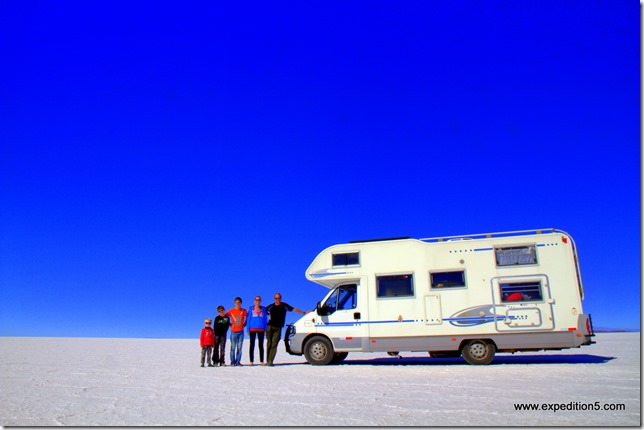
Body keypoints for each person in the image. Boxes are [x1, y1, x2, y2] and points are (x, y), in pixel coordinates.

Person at [265, 293, 309, 366]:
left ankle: (270, 361)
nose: (277, 300)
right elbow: (263, 311)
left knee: (274, 343)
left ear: (281, 298)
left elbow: (294, 309)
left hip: (278, 327)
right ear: (274, 299)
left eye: (279, 298)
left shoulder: (284, 306)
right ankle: (267, 360)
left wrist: (304, 312)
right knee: (269, 343)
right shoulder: (271, 306)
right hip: (270, 326)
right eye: (276, 298)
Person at [226, 297, 248, 366]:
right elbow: (225, 316)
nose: (237, 303)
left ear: (241, 303)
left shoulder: (243, 311)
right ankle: (232, 362)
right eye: (236, 302)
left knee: (239, 347)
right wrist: (229, 324)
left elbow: (248, 317)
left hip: (241, 332)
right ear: (234, 303)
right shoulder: (231, 311)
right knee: (233, 347)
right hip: (233, 332)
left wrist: (245, 323)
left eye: (239, 302)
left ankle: (238, 361)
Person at [246, 296, 268, 366]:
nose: (257, 301)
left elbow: (265, 320)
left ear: (260, 301)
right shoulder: (251, 309)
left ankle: (261, 361)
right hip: (252, 329)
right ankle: (251, 361)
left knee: (261, 345)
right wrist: (248, 329)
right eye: (256, 300)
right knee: (252, 345)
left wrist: (265, 330)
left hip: (261, 329)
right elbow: (248, 319)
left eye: (259, 300)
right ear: (254, 301)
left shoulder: (263, 309)